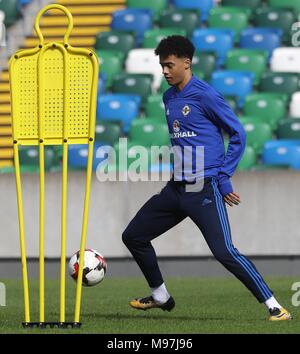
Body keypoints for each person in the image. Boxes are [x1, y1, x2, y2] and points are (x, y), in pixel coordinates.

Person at [122, 35, 291, 321]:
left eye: (169, 65)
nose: (164, 71)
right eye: (162, 65)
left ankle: (275, 306)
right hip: (175, 189)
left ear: (186, 63)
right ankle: (160, 295)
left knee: (225, 252)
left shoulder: (206, 95)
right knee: (134, 236)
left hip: (204, 189)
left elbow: (238, 133)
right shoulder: (168, 97)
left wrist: (223, 178)